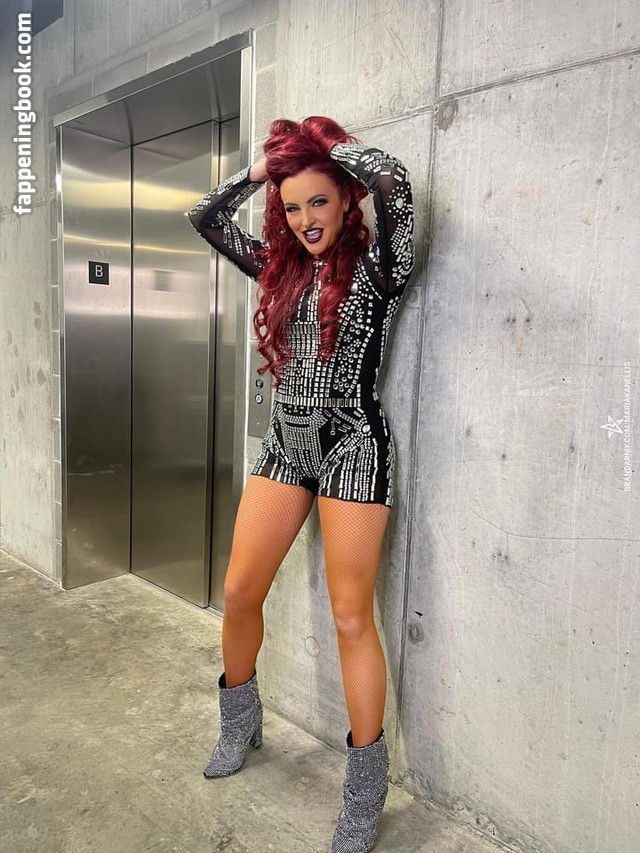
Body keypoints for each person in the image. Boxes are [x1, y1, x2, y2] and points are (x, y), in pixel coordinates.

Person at [185, 115, 415, 852]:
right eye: (291, 207)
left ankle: (364, 794)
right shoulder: (278, 270)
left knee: (351, 618)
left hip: (353, 446)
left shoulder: (381, 265)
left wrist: (324, 150)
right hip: (285, 444)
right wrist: (263, 171)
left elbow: (393, 180)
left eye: (319, 200)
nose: (305, 218)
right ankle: (240, 722)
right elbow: (203, 217)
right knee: (239, 591)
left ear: (345, 199)